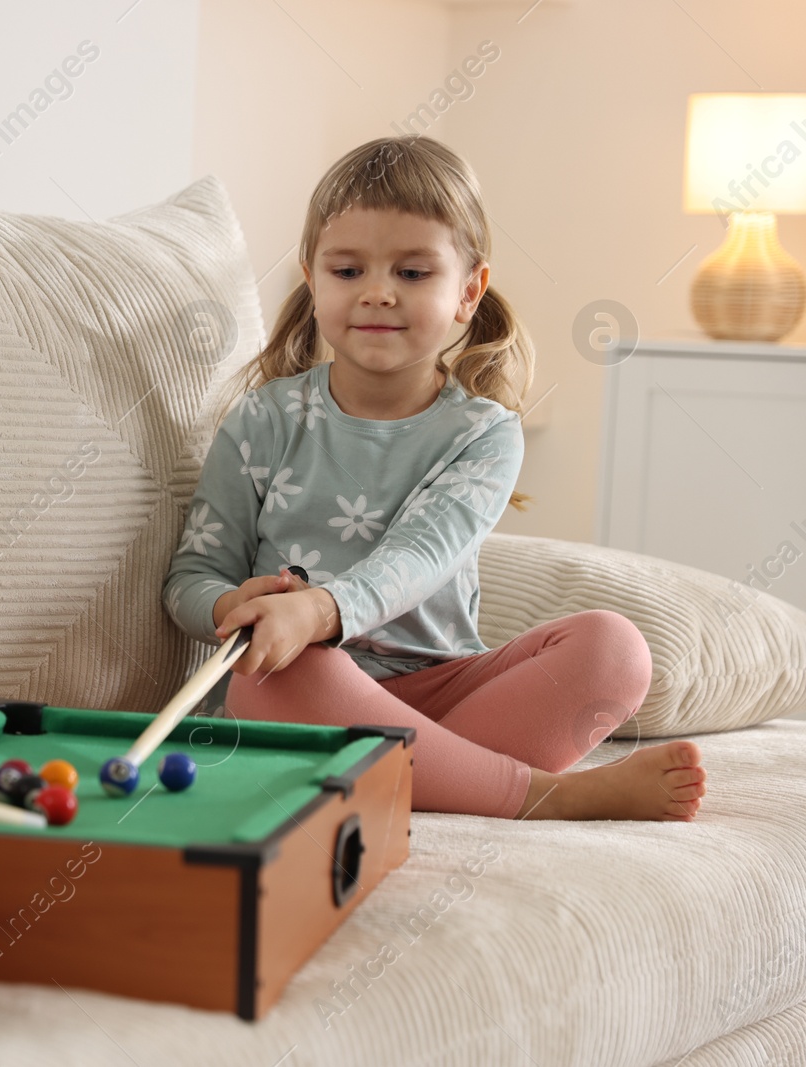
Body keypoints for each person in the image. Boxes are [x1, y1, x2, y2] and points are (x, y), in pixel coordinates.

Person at [163, 136, 707, 823]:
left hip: (444, 685)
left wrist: (321, 607)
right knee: (276, 671)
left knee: (615, 648)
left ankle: (422, 772)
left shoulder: (484, 433)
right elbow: (189, 580)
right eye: (348, 269)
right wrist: (233, 607)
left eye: (414, 273)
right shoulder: (265, 418)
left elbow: (417, 558)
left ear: (468, 291)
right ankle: (536, 793)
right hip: (313, 686)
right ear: (312, 277)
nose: (379, 292)